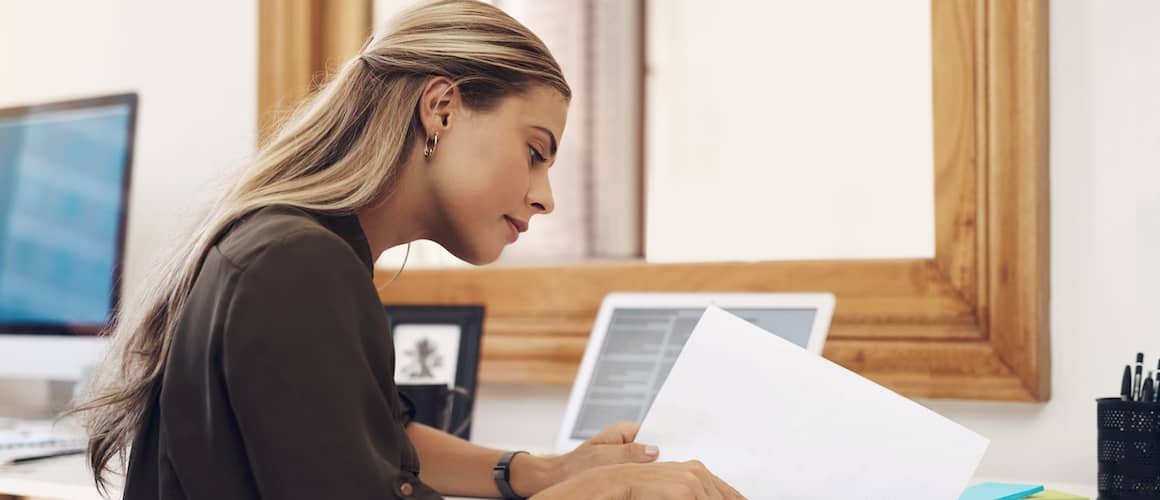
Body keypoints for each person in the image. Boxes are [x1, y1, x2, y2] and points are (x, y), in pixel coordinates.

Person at [71, 1, 743, 499]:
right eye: (535, 153)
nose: (546, 199)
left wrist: (543, 472)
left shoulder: (303, 248)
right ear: (442, 108)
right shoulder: (295, 266)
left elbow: (374, 442)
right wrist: (610, 493)